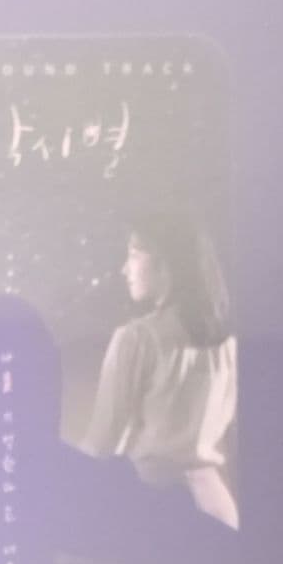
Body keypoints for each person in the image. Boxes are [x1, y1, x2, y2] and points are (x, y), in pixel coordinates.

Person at [83, 214, 239, 530]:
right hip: (219, 507)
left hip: (155, 509)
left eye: (133, 254)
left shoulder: (137, 339)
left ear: (165, 263)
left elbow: (100, 444)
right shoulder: (228, 345)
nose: (124, 269)